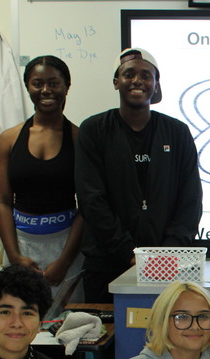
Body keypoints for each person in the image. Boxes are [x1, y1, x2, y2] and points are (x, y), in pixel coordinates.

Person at [75, 47, 202, 303]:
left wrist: (165, 256)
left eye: (146, 75)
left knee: (167, 340)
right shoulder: (93, 130)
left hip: (169, 268)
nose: (137, 81)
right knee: (109, 339)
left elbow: (190, 200)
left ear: (155, 85)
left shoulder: (177, 132)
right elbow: (91, 199)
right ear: (116, 82)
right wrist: (129, 253)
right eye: (129, 74)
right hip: (107, 265)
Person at [0, 55, 84, 301]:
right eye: (37, 83)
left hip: (66, 248)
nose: (46, 90)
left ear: (66, 86)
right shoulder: (9, 139)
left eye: (54, 83)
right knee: (18, 324)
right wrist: (14, 257)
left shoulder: (80, 139)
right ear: (28, 87)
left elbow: (86, 207)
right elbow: (2, 201)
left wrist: (64, 261)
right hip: (20, 245)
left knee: (65, 329)